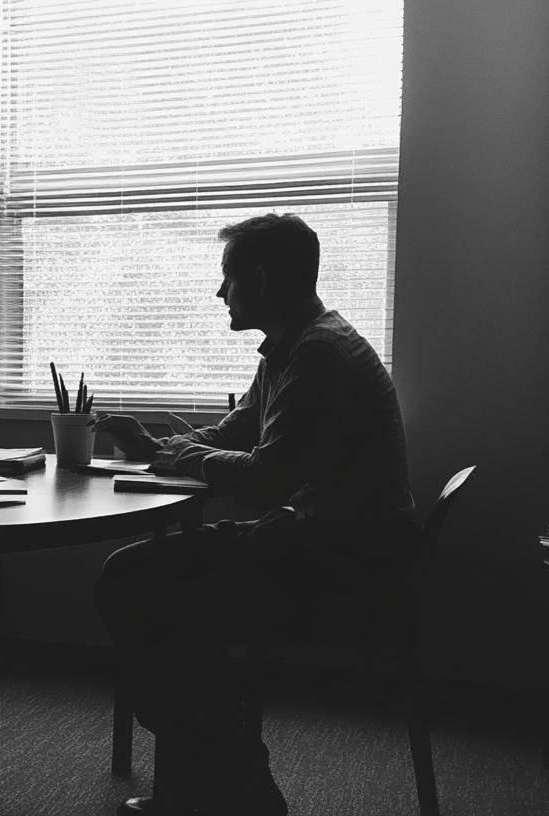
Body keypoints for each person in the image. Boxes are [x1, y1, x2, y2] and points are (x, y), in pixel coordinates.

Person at [95, 213, 416, 816]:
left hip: (344, 564)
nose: (220, 293)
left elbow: (267, 477)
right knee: (153, 583)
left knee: (133, 580)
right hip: (319, 539)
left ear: (262, 279)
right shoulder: (294, 346)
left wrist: (187, 455)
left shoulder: (318, 353)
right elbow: (234, 434)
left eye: (228, 279)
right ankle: (225, 775)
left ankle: (227, 778)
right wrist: (157, 448)